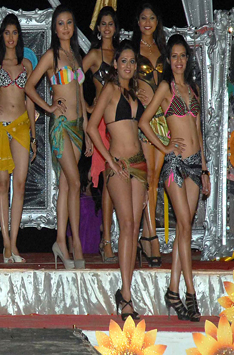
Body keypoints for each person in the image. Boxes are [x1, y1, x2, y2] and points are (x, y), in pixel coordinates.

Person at [139, 34, 210, 322]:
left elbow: (199, 134)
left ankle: (172, 291)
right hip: (174, 165)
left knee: (185, 228)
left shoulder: (191, 90)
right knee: (184, 224)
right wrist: (165, 146)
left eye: (183, 56)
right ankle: (190, 294)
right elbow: (144, 121)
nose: (179, 60)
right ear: (169, 60)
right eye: (175, 56)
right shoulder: (166, 89)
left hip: (194, 165)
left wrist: (205, 169)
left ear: (186, 59)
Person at [25, 5, 93, 269]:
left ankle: (59, 243)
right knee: (75, 183)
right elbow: (29, 86)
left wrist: (87, 130)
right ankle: (75, 242)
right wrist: (50, 107)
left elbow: (80, 94)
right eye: (60, 23)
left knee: (66, 185)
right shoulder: (52, 56)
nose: (65, 27)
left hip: (77, 127)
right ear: (54, 28)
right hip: (61, 125)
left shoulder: (75, 56)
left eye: (69, 23)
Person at [87, 41, 146, 321]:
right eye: (124, 60)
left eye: (132, 61)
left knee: (134, 228)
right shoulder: (110, 90)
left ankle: (126, 292)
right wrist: (109, 161)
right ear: (116, 64)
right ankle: (126, 298)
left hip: (139, 164)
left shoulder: (134, 93)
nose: (128, 65)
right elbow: (91, 127)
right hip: (118, 165)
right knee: (126, 224)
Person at [0, 14, 36, 263]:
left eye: (14, 32)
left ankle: (15, 243)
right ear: (1, 36)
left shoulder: (26, 65)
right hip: (0, 126)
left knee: (20, 185)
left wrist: (35, 136)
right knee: (3, 183)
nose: (10, 37)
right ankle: (5, 244)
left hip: (22, 126)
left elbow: (29, 99)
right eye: (6, 32)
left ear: (19, 36)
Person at [82, 6, 119, 263]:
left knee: (120, 178)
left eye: (110, 24)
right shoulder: (94, 54)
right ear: (98, 28)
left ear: (116, 27)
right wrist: (87, 108)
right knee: (107, 179)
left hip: (121, 123)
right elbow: (72, 78)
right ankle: (105, 240)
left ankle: (114, 235)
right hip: (100, 124)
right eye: (103, 24)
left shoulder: (122, 54)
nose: (106, 28)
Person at [133, 3, 168, 267]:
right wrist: (135, 94)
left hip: (163, 119)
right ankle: (150, 235)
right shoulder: (133, 50)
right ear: (138, 21)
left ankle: (148, 233)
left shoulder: (163, 50)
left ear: (158, 21)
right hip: (143, 119)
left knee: (156, 178)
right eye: (144, 18)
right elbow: (120, 78)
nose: (148, 22)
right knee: (145, 178)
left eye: (152, 17)